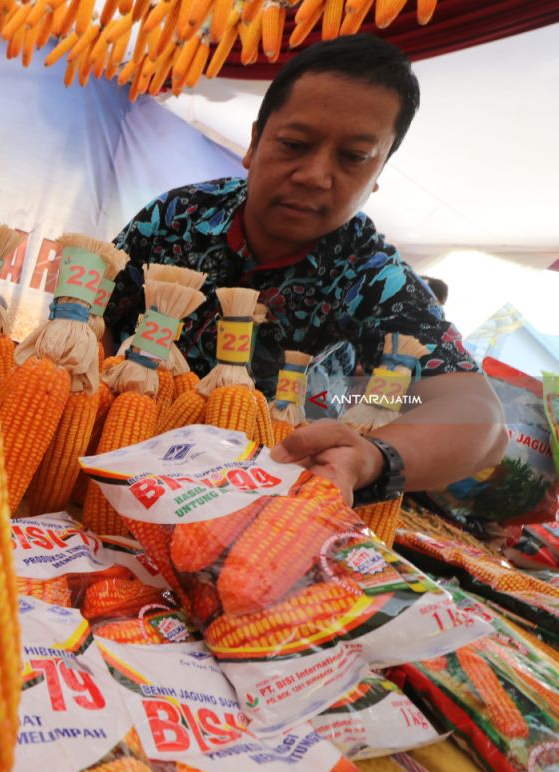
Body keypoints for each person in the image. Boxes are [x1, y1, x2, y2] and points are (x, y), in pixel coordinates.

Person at [103, 34, 505, 505]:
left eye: (353, 158)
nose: (315, 175)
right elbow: (103, 320)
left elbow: (480, 417)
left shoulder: (375, 280)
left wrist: (372, 458)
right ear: (254, 142)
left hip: (255, 512)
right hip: (113, 470)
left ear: (377, 177)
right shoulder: (178, 216)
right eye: (294, 144)